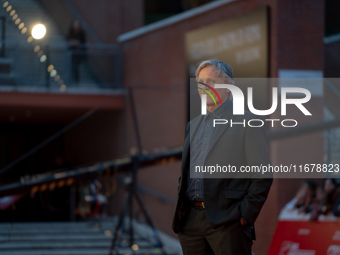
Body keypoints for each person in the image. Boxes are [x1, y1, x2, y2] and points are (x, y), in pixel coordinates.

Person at [172, 59, 273, 254]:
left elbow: (263, 175)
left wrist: (244, 217)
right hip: (190, 222)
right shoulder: (192, 126)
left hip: (228, 222)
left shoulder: (249, 122)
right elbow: (185, 172)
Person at [67, 19, 87, 84]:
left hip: (79, 54)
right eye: (75, 24)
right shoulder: (71, 32)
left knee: (75, 66)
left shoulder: (81, 33)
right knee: (71, 67)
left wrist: (75, 42)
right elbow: (69, 41)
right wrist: (75, 42)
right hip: (72, 54)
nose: (76, 25)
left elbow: (81, 42)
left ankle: (76, 81)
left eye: (77, 24)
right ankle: (71, 80)